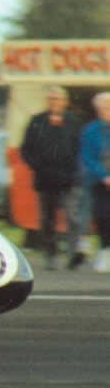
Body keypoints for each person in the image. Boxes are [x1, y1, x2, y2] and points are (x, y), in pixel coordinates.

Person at [20, 86, 83, 270]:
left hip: (69, 178)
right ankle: (50, 255)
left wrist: (74, 170)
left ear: (65, 102)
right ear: (47, 102)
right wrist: (37, 166)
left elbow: (80, 149)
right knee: (47, 220)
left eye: (58, 99)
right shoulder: (36, 121)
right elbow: (26, 150)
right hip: (45, 178)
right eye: (51, 99)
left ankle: (72, 255)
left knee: (72, 217)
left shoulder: (75, 123)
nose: (55, 102)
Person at [80, 92, 110, 273]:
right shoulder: (90, 131)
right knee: (103, 218)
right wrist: (104, 176)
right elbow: (88, 157)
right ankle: (105, 252)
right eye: (104, 107)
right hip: (100, 183)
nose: (107, 110)